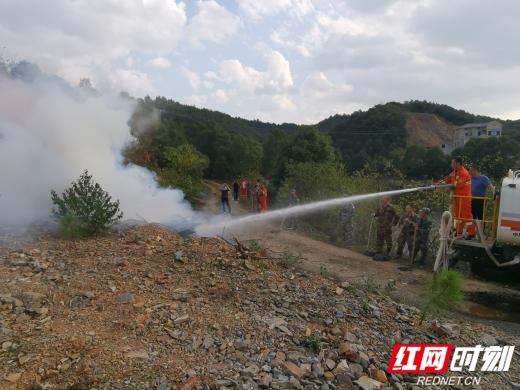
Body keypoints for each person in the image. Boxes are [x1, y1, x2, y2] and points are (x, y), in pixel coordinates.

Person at [437, 157, 475, 238]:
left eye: (452, 163)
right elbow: (447, 179)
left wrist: (452, 184)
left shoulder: (464, 173)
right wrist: (437, 184)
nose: (451, 165)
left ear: (457, 164)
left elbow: (459, 185)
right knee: (458, 216)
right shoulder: (455, 172)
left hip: (465, 198)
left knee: (467, 216)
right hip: (457, 197)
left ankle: (472, 233)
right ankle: (459, 232)